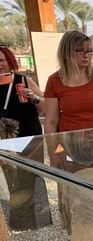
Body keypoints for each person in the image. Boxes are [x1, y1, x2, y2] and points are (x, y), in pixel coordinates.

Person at [0, 45, 51, 230]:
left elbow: (46, 107)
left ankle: (36, 220)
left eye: (1, 61)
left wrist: (34, 98)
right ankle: (18, 222)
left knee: (31, 178)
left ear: (10, 61)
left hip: (30, 139)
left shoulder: (23, 80)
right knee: (11, 181)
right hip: (4, 142)